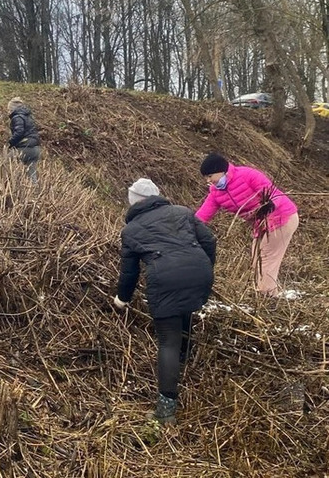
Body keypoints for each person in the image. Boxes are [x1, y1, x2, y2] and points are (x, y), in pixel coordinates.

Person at [113, 178, 216, 424]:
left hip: (166, 279)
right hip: (200, 271)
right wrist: (203, 267)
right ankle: (184, 362)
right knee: (185, 312)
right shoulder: (182, 212)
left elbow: (130, 272)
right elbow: (210, 241)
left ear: (134, 201)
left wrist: (121, 300)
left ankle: (166, 409)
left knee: (167, 340)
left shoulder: (131, 230)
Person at [196, 152, 299, 296]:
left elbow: (272, 192)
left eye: (210, 176)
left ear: (221, 171)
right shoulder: (216, 193)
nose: (208, 180)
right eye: (206, 178)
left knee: (266, 257)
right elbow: (203, 214)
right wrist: (189, 226)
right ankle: (267, 292)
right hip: (262, 224)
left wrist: (270, 205)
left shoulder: (247, 175)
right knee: (256, 257)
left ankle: (267, 295)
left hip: (282, 217)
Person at [7, 97, 41, 184]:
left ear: (12, 109)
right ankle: (35, 193)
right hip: (35, 149)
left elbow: (19, 132)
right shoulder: (28, 116)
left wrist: (10, 142)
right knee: (32, 175)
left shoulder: (17, 117)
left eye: (8, 109)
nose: (8, 111)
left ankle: (7, 186)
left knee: (4, 162)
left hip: (25, 147)